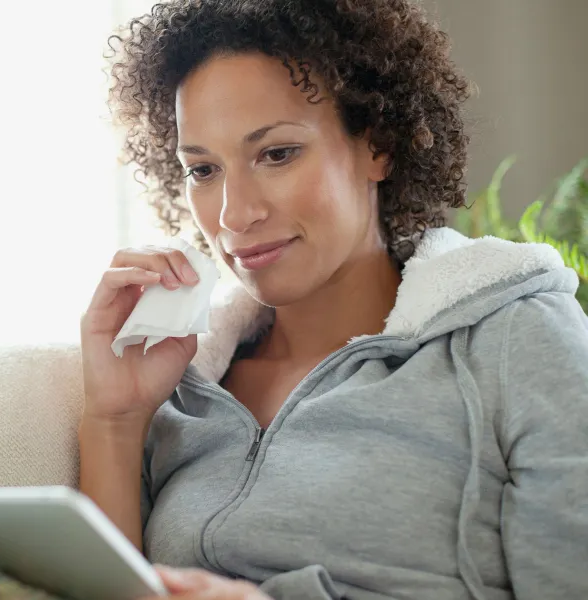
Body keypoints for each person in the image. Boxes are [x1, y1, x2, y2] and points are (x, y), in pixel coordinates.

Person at [78, 1, 588, 598]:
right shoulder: (185, 384)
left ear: (378, 145)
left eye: (277, 154)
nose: (234, 214)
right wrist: (113, 420)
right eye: (203, 170)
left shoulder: (516, 337)